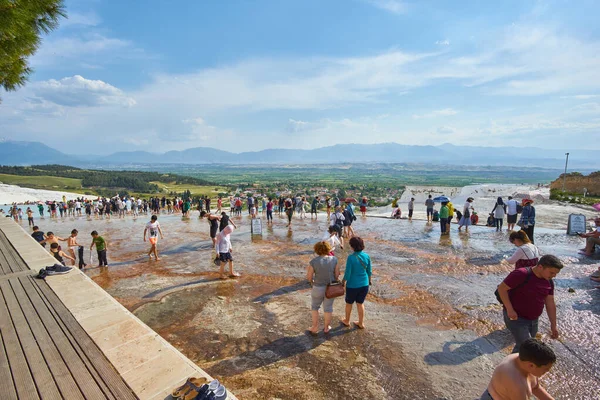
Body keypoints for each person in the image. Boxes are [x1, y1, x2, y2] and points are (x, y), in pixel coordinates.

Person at [496, 254, 563, 353]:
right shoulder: (521, 274)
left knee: (525, 347)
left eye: (555, 274)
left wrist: (553, 326)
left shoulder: (549, 281)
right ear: (540, 267)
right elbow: (501, 289)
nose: (554, 276)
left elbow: (550, 304)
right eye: (552, 272)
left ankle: (514, 365)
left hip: (533, 320)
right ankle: (512, 367)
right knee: (527, 347)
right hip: (516, 317)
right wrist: (510, 309)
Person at [480, 338, 556, 400]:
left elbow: (536, 388)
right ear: (531, 365)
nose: (548, 371)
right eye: (546, 369)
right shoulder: (517, 383)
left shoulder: (522, 358)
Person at [306, 241, 340, 334]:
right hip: (330, 288)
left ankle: (315, 327)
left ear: (317, 250)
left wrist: (312, 282)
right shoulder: (334, 259)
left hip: (317, 287)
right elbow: (337, 275)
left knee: (315, 307)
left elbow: (309, 277)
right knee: (328, 308)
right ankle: (326, 327)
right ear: (328, 249)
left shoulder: (313, 262)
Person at [340, 237, 372, 329]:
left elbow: (348, 273)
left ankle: (347, 321)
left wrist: (343, 281)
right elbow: (369, 271)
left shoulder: (351, 258)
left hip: (353, 285)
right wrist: (369, 280)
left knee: (349, 303)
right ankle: (361, 323)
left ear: (352, 246)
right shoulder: (367, 256)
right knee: (360, 303)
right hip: (364, 284)